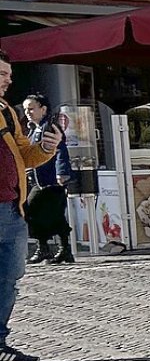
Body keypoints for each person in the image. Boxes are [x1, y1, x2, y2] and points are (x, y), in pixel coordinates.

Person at [0, 53, 64, 361]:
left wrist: (47, 147)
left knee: (9, 278)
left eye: (9, 74)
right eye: (2, 74)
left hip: (12, 209)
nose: (8, 80)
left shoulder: (8, 113)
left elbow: (25, 155)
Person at [22, 94, 74, 265]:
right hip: (37, 180)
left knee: (33, 209)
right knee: (47, 214)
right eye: (25, 109)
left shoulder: (50, 128)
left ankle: (55, 249)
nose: (28, 112)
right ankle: (55, 249)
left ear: (43, 109)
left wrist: (62, 172)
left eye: (31, 108)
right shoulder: (32, 129)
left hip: (50, 180)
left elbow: (60, 150)